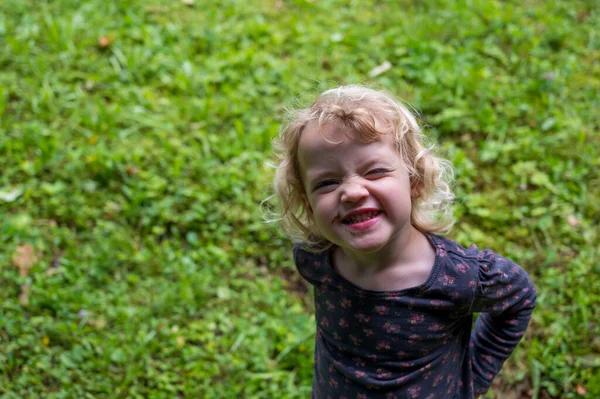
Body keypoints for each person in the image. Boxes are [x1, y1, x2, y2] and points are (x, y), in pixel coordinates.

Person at [271, 85, 537, 398]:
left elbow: (520, 297)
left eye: (375, 171)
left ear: (413, 180)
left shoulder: (458, 276)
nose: (353, 192)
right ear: (308, 202)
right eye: (328, 182)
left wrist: (473, 375)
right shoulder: (315, 259)